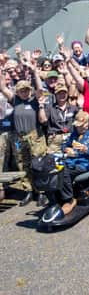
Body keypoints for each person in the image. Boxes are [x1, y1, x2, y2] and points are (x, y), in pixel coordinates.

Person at [0, 68, 47, 206]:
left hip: (35, 137)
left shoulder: (35, 100)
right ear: (18, 91)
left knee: (38, 165)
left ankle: (42, 193)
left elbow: (39, 88)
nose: (25, 92)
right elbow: (2, 87)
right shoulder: (15, 100)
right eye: (22, 90)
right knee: (23, 165)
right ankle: (29, 191)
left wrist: (35, 72)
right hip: (19, 138)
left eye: (27, 90)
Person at [55, 111, 89, 215]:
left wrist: (87, 150)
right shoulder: (74, 134)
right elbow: (64, 145)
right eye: (77, 126)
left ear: (87, 123)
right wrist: (66, 149)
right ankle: (55, 198)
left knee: (64, 171)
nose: (79, 128)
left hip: (85, 164)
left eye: (81, 126)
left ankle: (69, 200)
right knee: (54, 168)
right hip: (71, 161)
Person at [42, 83, 78, 154]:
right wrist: (41, 106)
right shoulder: (50, 108)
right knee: (54, 161)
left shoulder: (73, 108)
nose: (62, 95)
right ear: (55, 95)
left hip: (70, 137)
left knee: (71, 159)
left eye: (64, 93)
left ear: (67, 94)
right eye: (59, 93)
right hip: (55, 138)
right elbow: (43, 121)